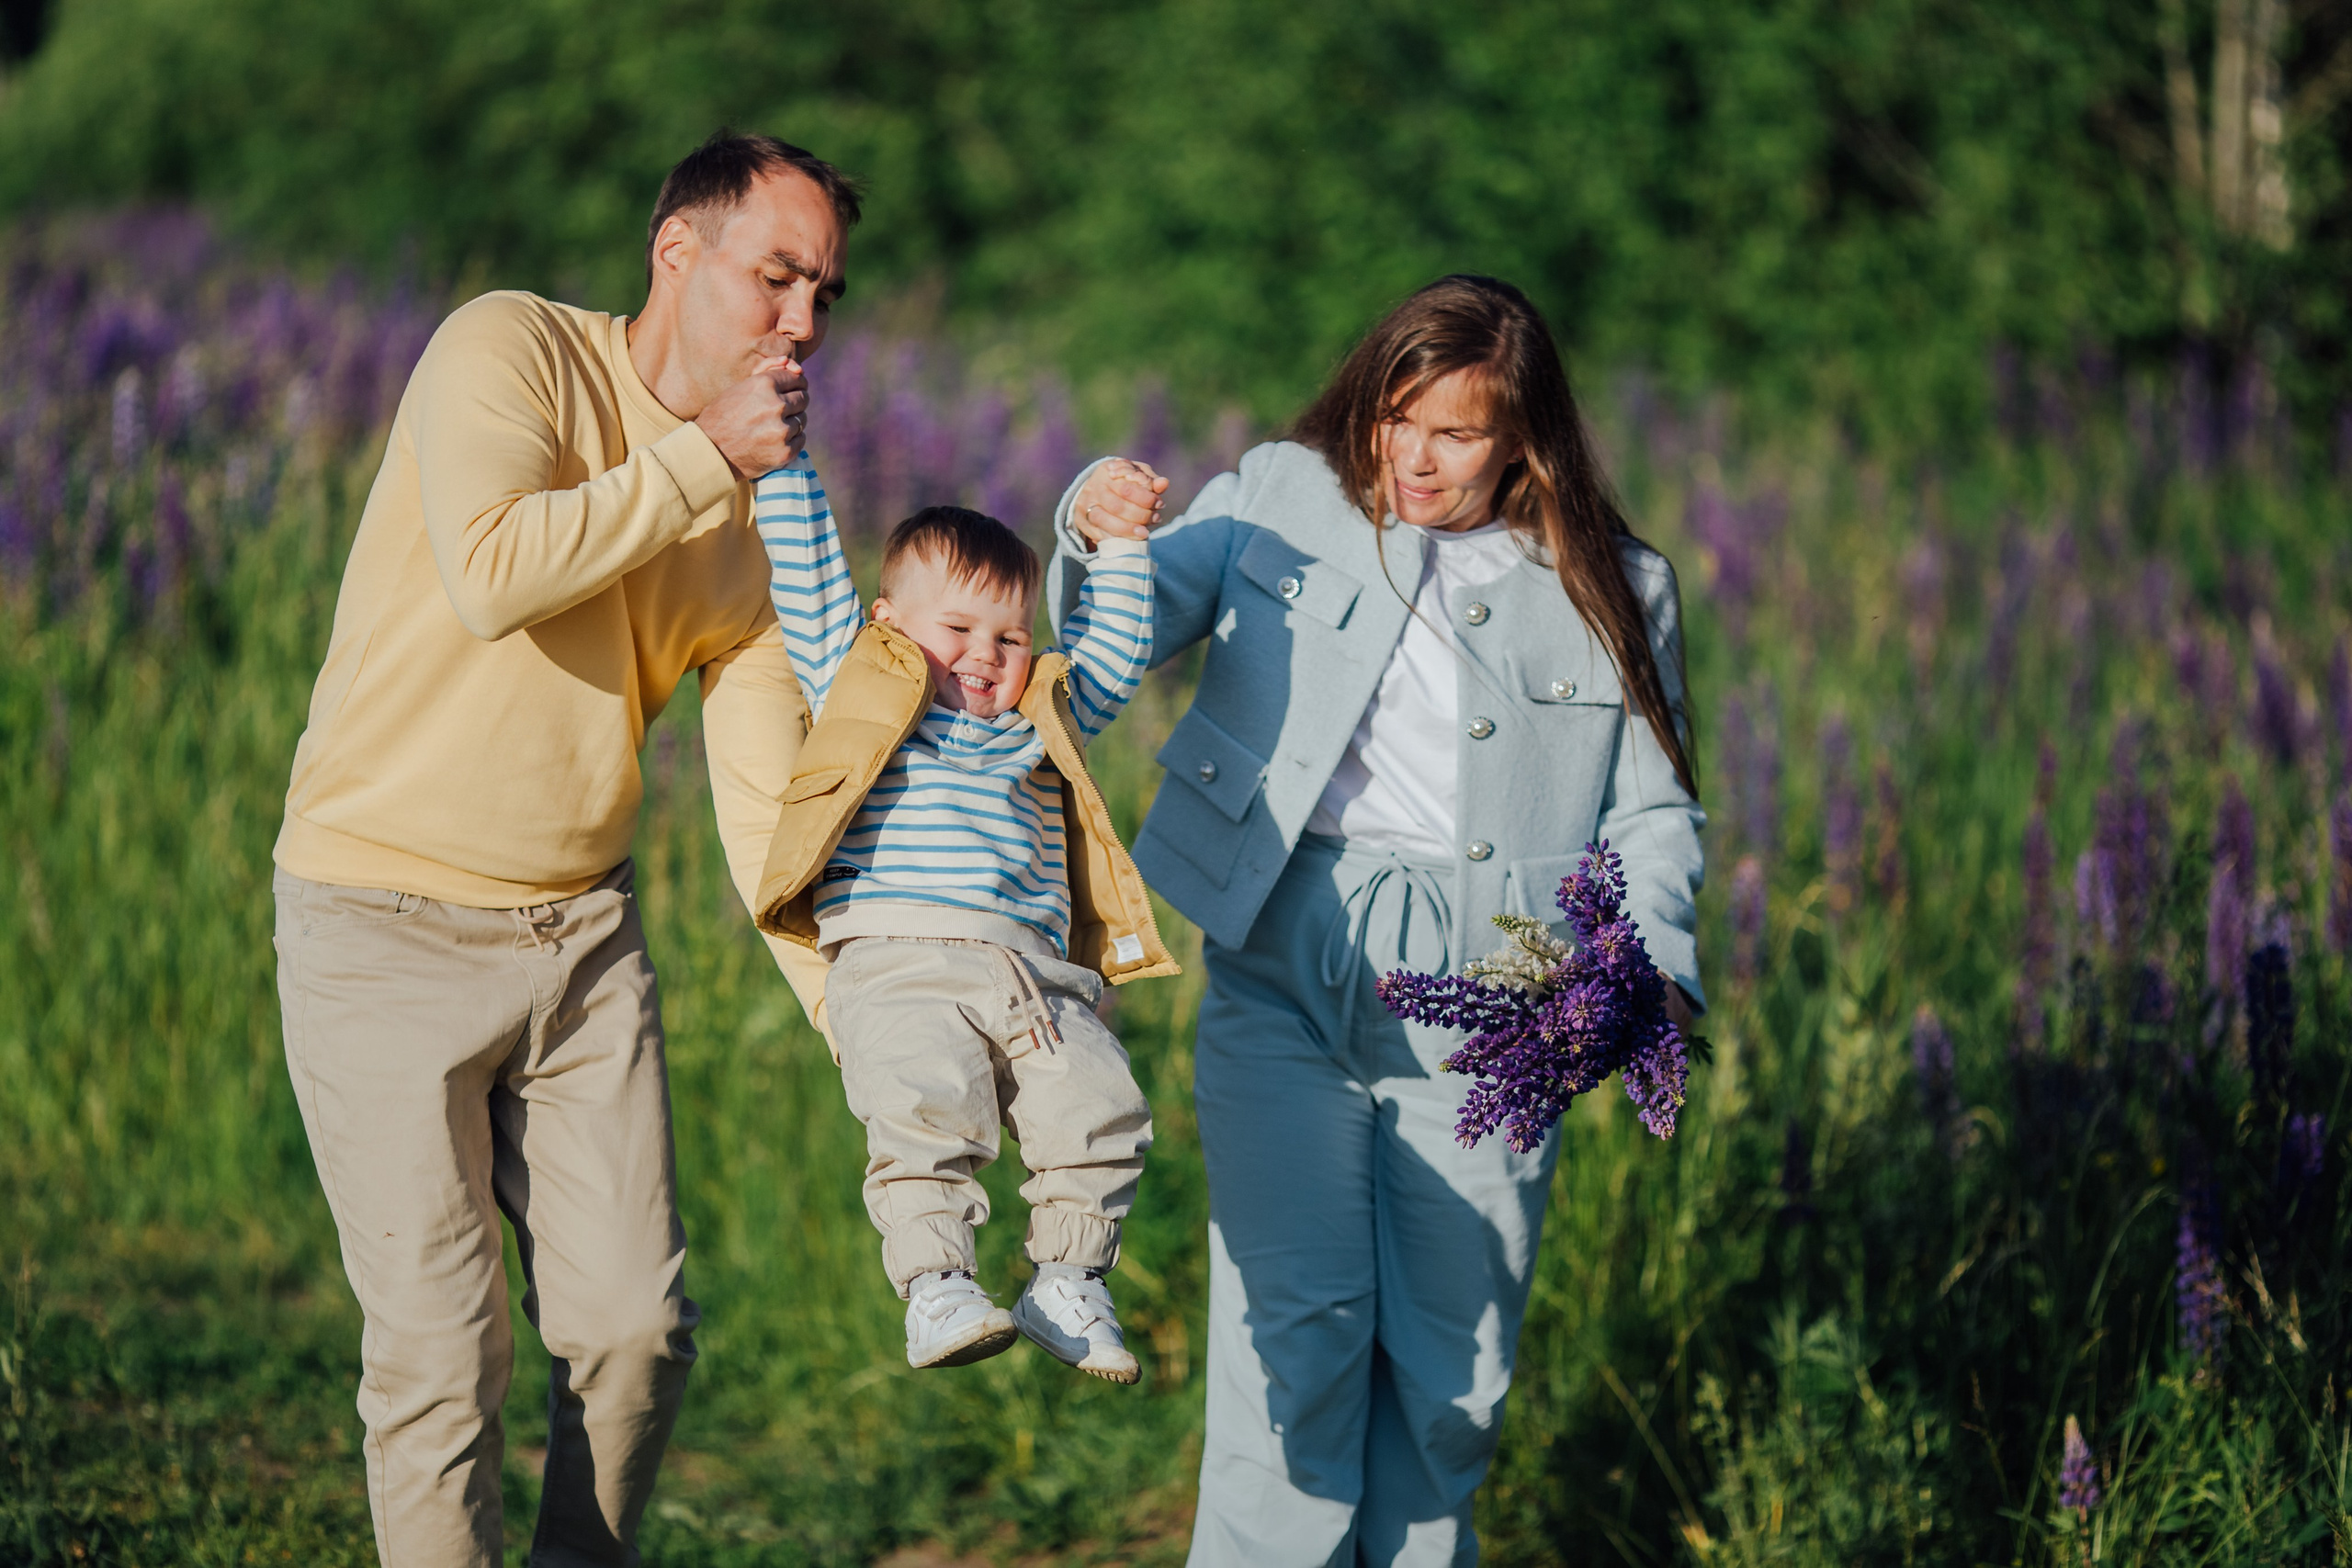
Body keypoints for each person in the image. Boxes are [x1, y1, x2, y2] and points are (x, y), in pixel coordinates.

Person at [269, 131, 856, 1568]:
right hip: (374, 919)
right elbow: (493, 569)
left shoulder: (762, 524)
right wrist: (703, 456)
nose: (801, 323)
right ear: (677, 251)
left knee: (636, 1335)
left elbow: (771, 806)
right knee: (439, 1351)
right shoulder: (509, 347)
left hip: (579, 948)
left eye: (825, 294)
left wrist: (869, 1026)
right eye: (774, 277)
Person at [1054, 275, 1705, 1566]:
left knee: (1453, 1379)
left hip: (1504, 991)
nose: (1415, 455)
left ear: (1524, 435)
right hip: (1286, 959)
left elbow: (1657, 812)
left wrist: (1652, 971)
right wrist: (1088, 523)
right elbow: (1107, 631)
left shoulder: (1615, 580)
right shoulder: (1281, 493)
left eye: (1456, 430)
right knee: (1288, 1346)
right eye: (1397, 415)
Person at [748, 473, 1177, 1380]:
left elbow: (1118, 651)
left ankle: (1067, 1280)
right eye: (958, 630)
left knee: (1100, 1109)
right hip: (898, 960)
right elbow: (807, 567)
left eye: (1010, 636)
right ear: (888, 626)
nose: (984, 654)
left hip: (1033, 974)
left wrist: (1124, 546)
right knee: (923, 1119)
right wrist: (782, 459)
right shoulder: (859, 684)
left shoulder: (1038, 722)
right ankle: (936, 1287)